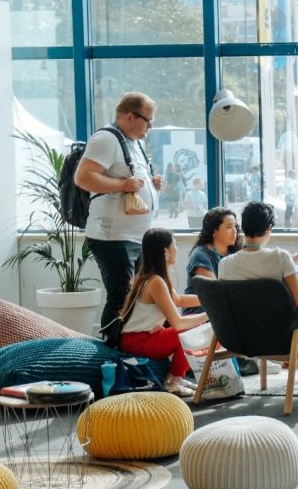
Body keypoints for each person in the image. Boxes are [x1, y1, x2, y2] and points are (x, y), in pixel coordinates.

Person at [218, 202, 298, 398]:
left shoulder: (225, 264)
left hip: (238, 338)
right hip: (282, 338)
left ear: (243, 227)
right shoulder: (280, 257)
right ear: (269, 228)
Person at [75, 91, 162, 328]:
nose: (150, 127)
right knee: (121, 296)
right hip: (112, 236)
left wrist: (151, 185)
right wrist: (124, 185)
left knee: (141, 295)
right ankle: (110, 352)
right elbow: (83, 177)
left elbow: (131, 178)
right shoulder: (106, 139)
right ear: (129, 116)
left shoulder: (134, 144)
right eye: (148, 120)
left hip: (135, 237)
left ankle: (131, 349)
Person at [118, 228, 210, 397]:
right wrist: (210, 315)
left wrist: (210, 298)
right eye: (174, 243)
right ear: (165, 251)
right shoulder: (156, 281)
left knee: (192, 327)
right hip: (137, 340)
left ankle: (176, 378)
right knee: (190, 330)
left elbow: (179, 300)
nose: (176, 247)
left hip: (139, 337)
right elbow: (178, 323)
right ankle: (172, 381)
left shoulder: (154, 277)